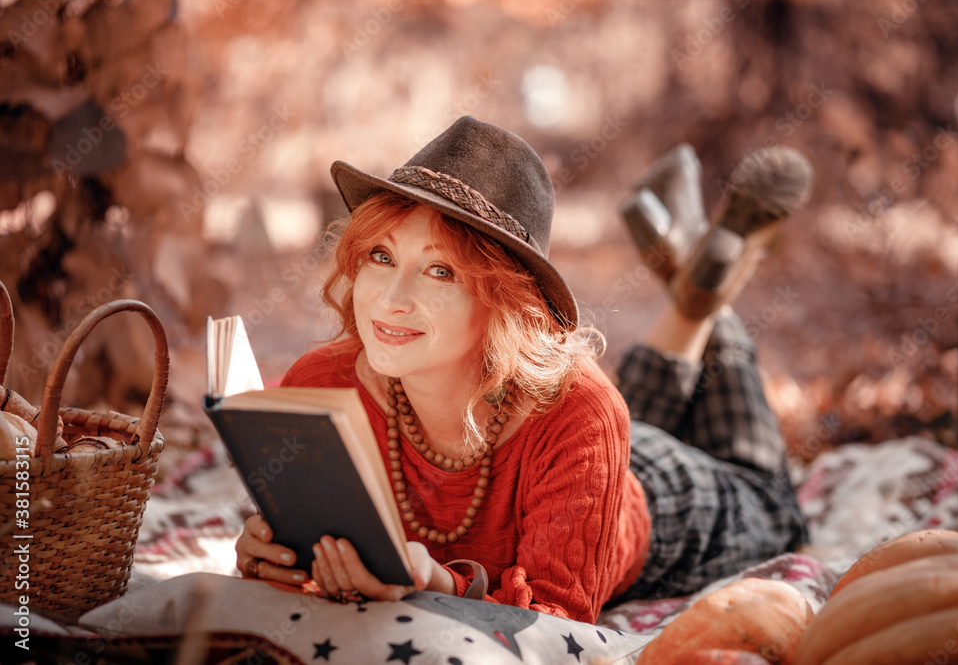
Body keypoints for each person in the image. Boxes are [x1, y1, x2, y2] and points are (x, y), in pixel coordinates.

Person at [234, 115, 810, 624]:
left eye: (440, 272)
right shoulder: (319, 387)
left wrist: (438, 584)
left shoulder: (581, 415)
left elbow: (558, 622)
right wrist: (276, 559)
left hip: (656, 497)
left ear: (505, 302)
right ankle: (693, 290)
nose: (390, 299)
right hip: (584, 454)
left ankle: (708, 307)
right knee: (634, 408)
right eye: (381, 257)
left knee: (774, 506)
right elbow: (311, 553)